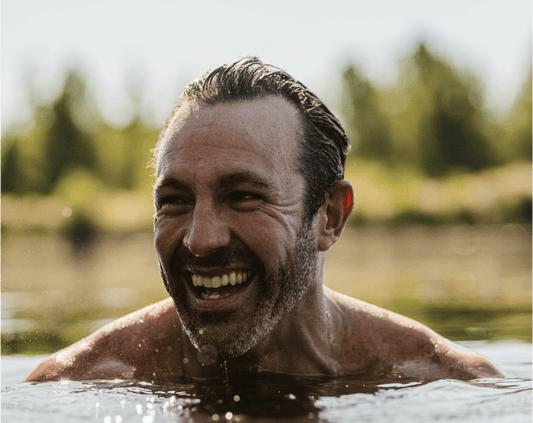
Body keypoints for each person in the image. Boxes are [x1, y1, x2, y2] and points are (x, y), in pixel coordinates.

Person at [25, 57, 503, 383]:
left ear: (329, 217)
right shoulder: (82, 384)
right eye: (174, 201)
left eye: (245, 197)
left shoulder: (443, 381)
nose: (201, 240)